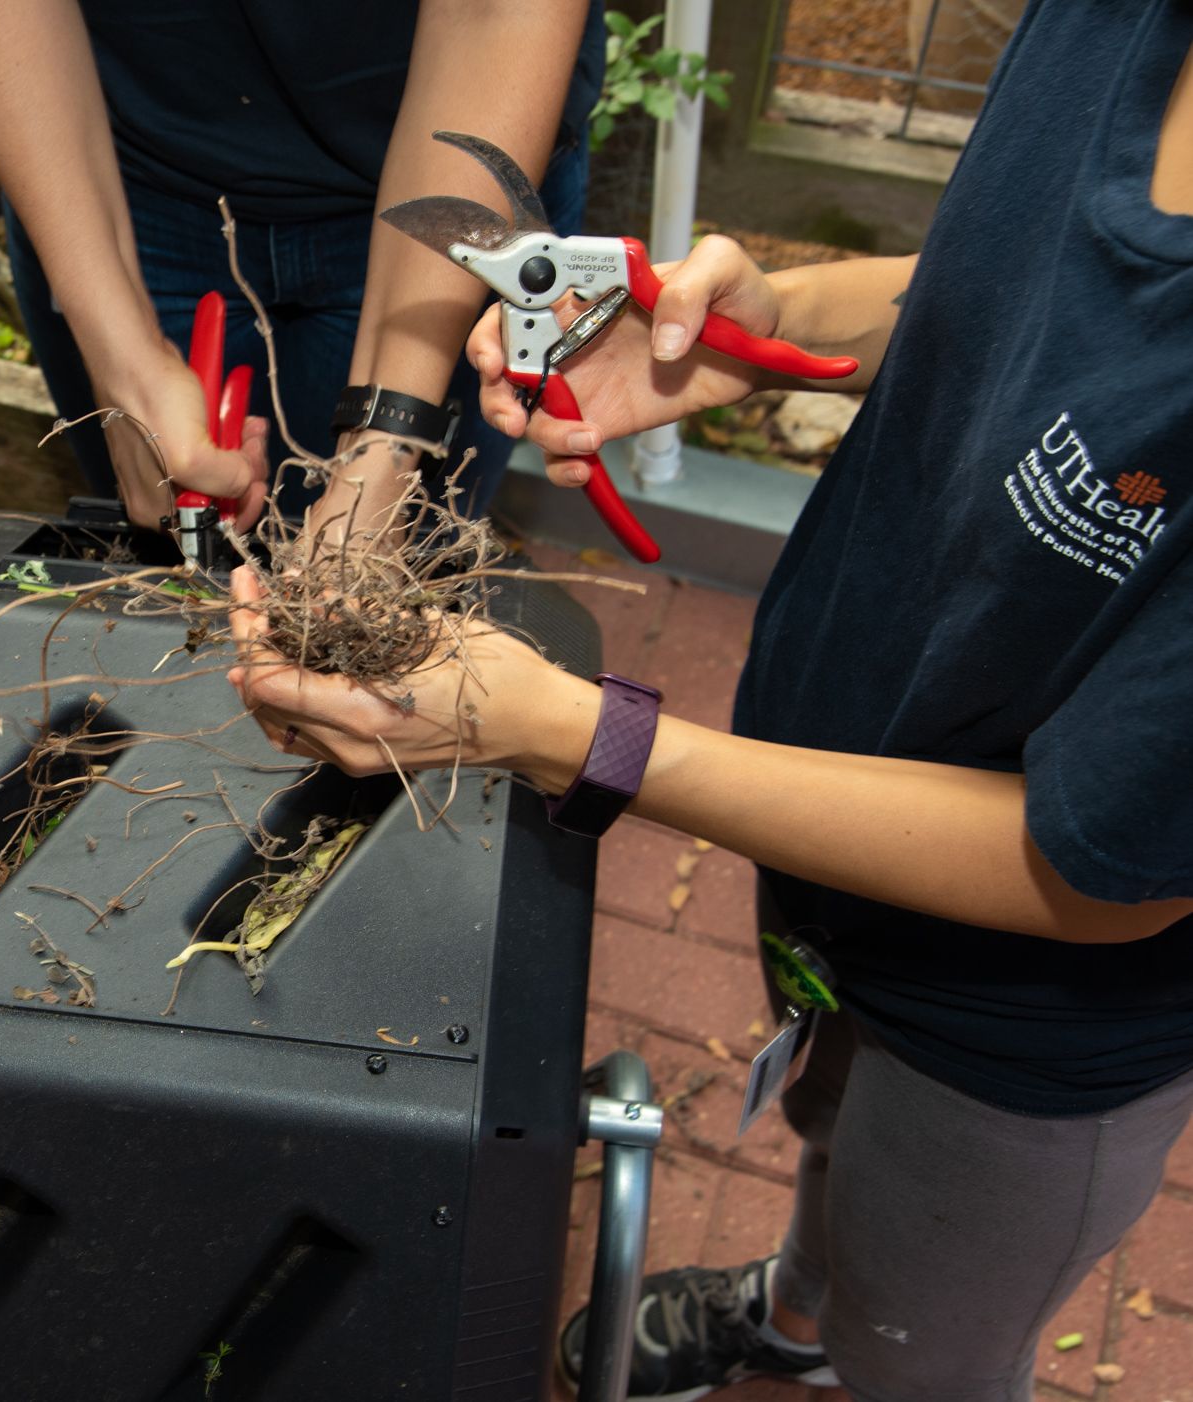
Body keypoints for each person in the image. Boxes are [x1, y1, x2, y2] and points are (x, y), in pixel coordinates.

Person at [228, 1, 1193, 1396]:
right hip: (833, 828)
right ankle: (799, 1310)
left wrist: (573, 730)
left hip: (1023, 1034)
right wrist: (774, 321)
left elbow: (1098, 874)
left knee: (926, 1340)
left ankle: (859, 1337)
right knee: (829, 1127)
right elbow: (1027, 278)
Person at [0, 0, 604, 541]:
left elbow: (493, 13)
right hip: (112, 167)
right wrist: (122, 356)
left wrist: (389, 443)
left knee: (403, 574)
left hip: (459, 189)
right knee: (162, 541)